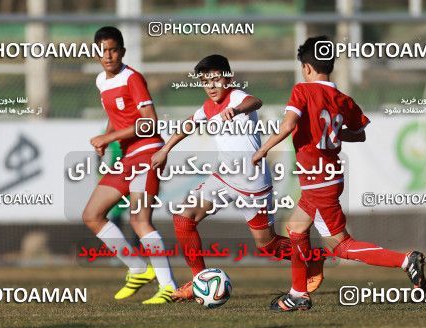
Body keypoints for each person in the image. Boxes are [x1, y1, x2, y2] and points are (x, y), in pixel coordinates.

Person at [252, 36, 426, 311]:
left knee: (341, 246)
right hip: (327, 177)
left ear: (306, 68)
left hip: (318, 181)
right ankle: (298, 293)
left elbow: (287, 126)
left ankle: (405, 260)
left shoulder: (303, 91)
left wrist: (261, 151)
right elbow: (360, 135)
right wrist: (332, 134)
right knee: (296, 228)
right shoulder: (343, 99)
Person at [150, 54, 324, 301]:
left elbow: (256, 101)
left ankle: (313, 258)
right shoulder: (208, 107)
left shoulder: (237, 97)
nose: (210, 86)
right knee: (183, 218)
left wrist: (237, 109)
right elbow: (190, 124)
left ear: (227, 78)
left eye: (215, 79)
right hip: (223, 177)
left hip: (252, 183)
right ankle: (199, 281)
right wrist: (165, 149)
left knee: (267, 245)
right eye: (205, 82)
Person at [82, 26, 176, 304]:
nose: (108, 55)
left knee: (139, 220)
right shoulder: (101, 80)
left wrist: (108, 136)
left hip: (147, 152)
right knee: (92, 215)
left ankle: (168, 287)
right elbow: (117, 116)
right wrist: (106, 139)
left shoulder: (132, 78)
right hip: (127, 156)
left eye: (113, 50)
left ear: (122, 51)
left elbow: (149, 122)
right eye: (103, 51)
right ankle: (137, 268)